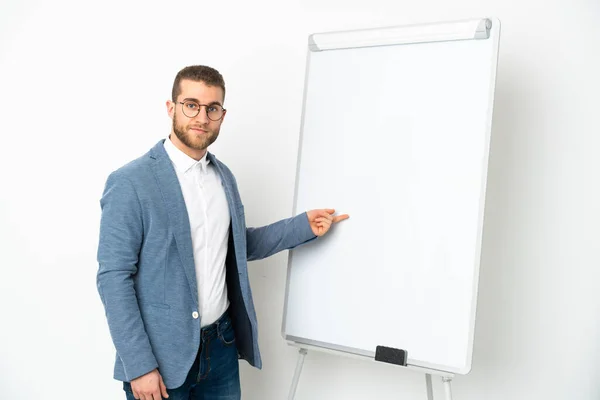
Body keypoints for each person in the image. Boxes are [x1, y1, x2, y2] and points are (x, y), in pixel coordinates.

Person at [96, 65, 348, 400]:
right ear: (171, 108)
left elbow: (236, 244)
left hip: (222, 347)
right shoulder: (131, 182)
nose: (201, 117)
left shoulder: (223, 177)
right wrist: (139, 366)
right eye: (191, 105)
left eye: (212, 108)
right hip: (161, 357)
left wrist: (302, 226)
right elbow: (114, 277)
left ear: (221, 116)